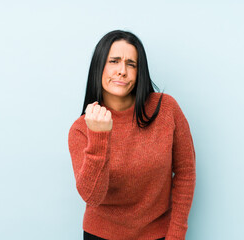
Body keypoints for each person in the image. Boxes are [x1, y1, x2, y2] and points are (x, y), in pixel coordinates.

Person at [68, 30, 196, 240]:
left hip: (159, 234)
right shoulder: (81, 129)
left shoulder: (166, 109)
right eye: (114, 61)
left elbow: (185, 173)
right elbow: (92, 196)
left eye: (131, 64)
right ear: (99, 67)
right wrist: (99, 136)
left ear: (139, 72)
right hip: (100, 235)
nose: (122, 71)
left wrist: (176, 234)